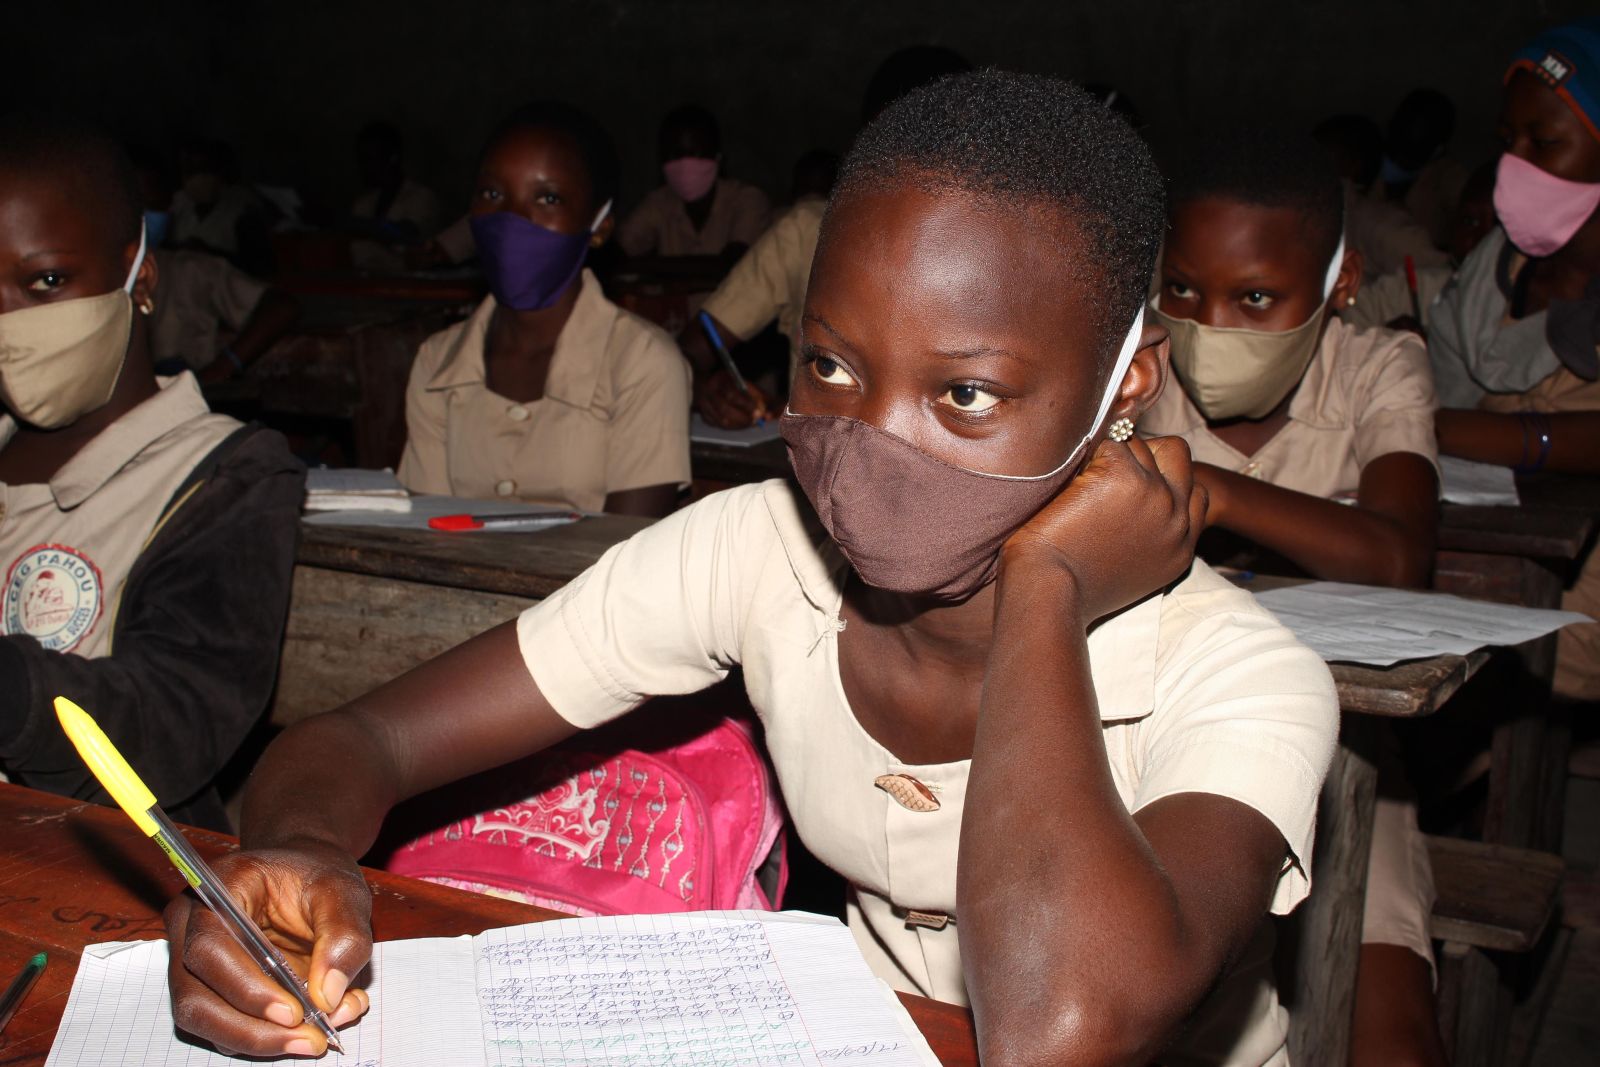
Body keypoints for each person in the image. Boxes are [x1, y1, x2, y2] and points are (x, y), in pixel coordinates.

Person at [164, 70, 1337, 1066]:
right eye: (828, 366)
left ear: (1121, 389)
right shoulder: (757, 549)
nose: (872, 443)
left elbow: (1060, 1025)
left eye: (964, 393)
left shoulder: (1238, 674)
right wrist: (306, 858)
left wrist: (1047, 585)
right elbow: (362, 740)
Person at [1138, 126, 1447, 1067]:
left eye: (1257, 297)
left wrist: (1219, 491)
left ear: (1341, 283)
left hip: (1345, 761)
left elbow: (1399, 556)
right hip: (1153, 731)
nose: (1210, 322)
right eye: (1182, 288)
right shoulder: (1140, 369)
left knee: (1385, 1026)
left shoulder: (1376, 368)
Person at [0, 115, 305, 831]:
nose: (9, 320)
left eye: (46, 280)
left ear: (141, 274)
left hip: (92, 870)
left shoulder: (222, 476)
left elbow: (178, 718)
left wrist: (14, 691)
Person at [395, 101, 690, 518]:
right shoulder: (437, 363)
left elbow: (629, 555)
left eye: (547, 198)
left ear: (599, 227)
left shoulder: (641, 363)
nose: (512, 220)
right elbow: (430, 533)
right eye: (492, 194)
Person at [1432, 17, 1600, 701]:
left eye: (1546, 142)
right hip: (1495, 524)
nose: (1517, 165)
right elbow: (1439, 380)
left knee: (1521, 657)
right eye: (1509, 143)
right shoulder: (1492, 269)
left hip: (1583, 563)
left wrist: (1451, 427)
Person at [688, 45, 972, 429]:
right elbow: (694, 346)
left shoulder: (1010, 255)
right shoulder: (807, 233)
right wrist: (714, 389)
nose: (918, 165)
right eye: (896, 143)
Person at [131, 151, 300, 382]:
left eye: (151, 205)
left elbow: (281, 305)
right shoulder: (92, 275)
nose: (142, 214)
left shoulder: (186, 268)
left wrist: (222, 368)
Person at [616, 104, 771, 263]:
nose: (684, 163)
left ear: (717, 157)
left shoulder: (747, 200)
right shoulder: (658, 203)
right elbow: (619, 251)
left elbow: (734, 262)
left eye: (693, 153)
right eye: (675, 154)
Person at [1313, 114, 1452, 280]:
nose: (1306, 165)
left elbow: (1441, 281)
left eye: (1320, 155)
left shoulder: (1379, 226)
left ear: (1352, 164)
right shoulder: (1318, 216)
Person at [1378, 89, 1471, 249]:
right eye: (1401, 135)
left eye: (1413, 148)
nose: (1402, 156)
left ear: (1438, 146)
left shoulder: (1451, 177)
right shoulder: (1372, 162)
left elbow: (1468, 239)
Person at [349, 121, 441, 273]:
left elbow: (405, 234)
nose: (365, 166)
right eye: (361, 159)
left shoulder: (421, 198)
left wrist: (350, 223)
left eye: (371, 158)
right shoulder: (363, 204)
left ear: (392, 158)